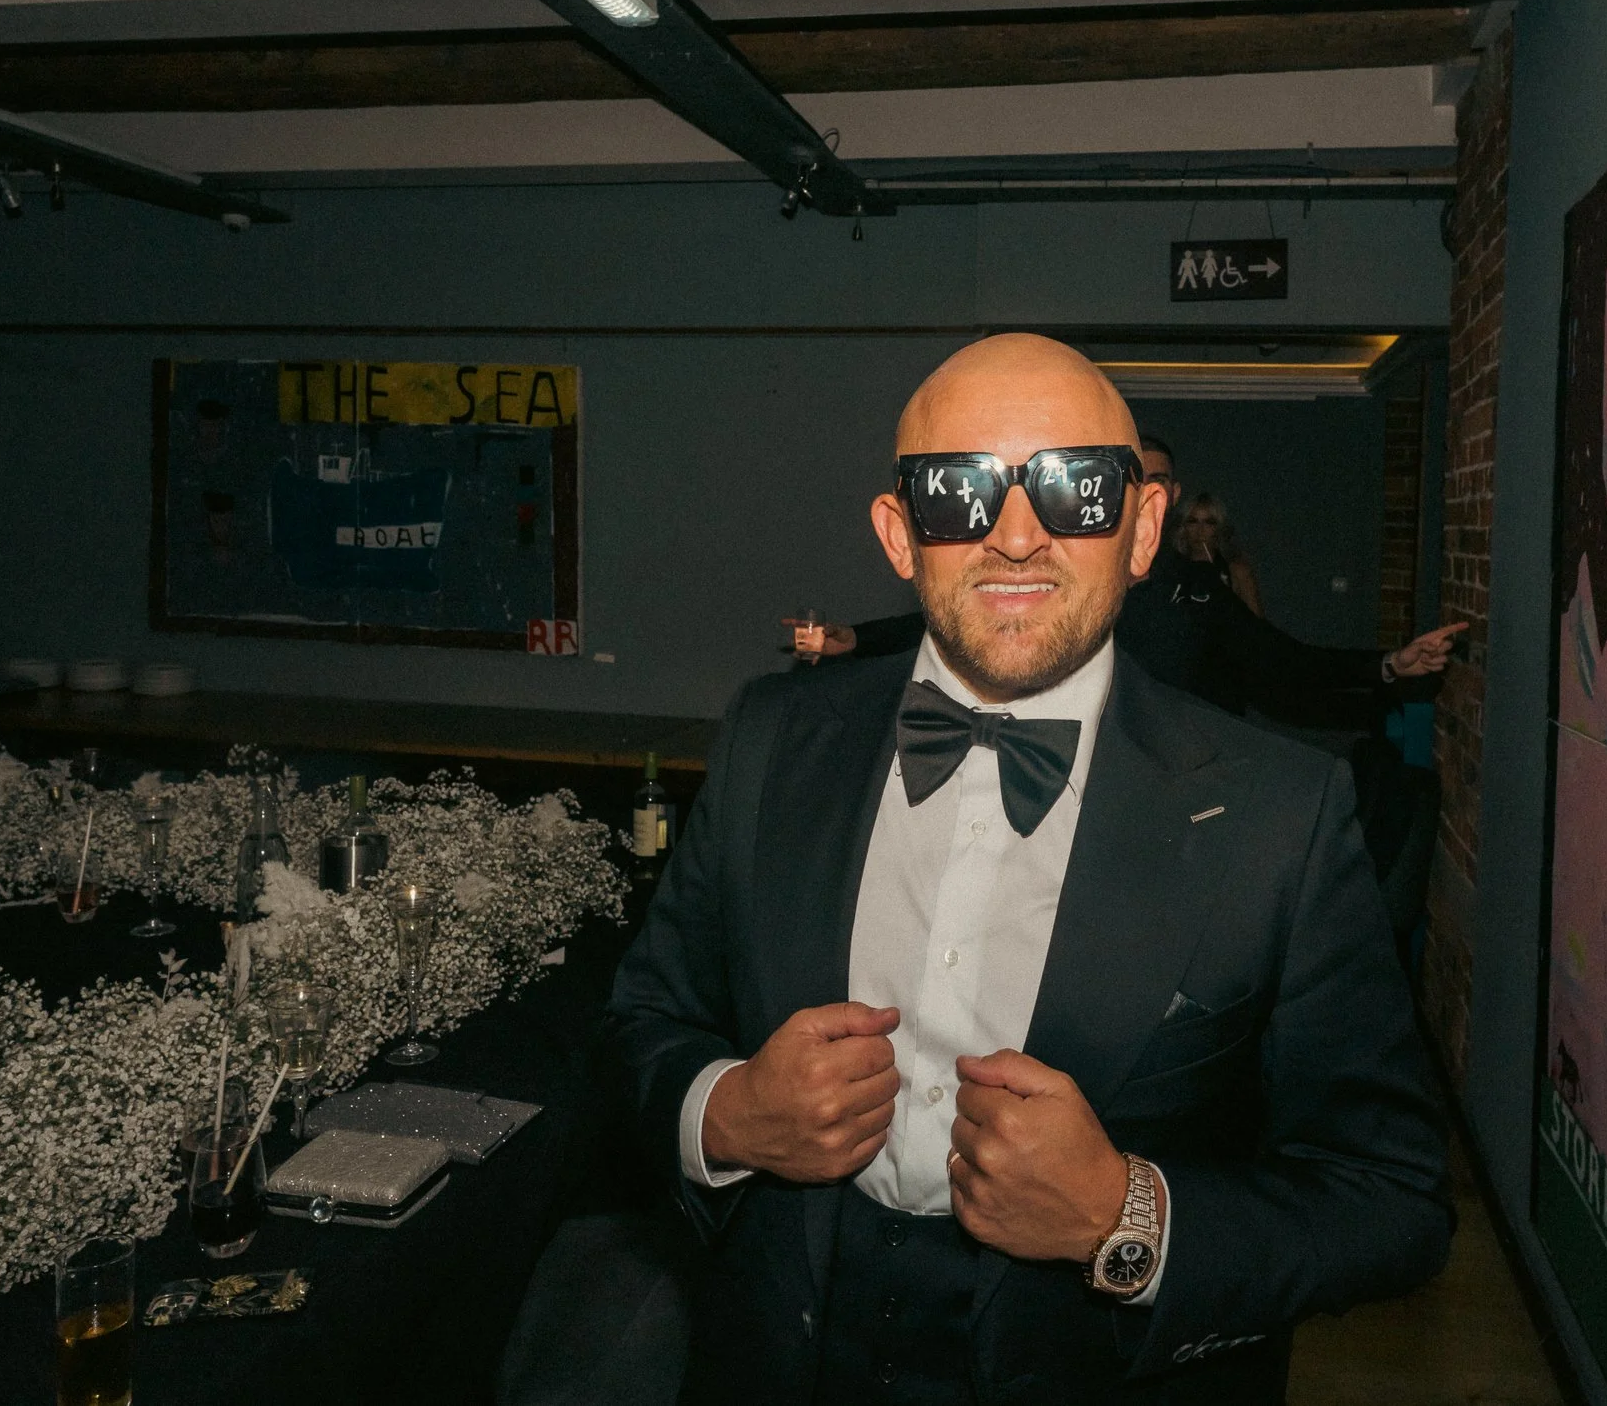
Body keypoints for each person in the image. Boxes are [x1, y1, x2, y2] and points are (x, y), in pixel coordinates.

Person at [609, 335, 1451, 1405]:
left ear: (1141, 527)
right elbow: (641, 1019)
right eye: (958, 491)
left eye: (1074, 488)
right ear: (898, 534)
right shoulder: (772, 739)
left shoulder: (1280, 816)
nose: (1016, 535)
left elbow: (1393, 1199)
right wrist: (722, 1112)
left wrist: (1123, 1214)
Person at [785, 435, 1463, 723]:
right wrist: (855, 640)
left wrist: (1387, 668)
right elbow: (960, 621)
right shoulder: (1068, 576)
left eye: (1162, 480)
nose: (1149, 493)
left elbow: (1284, 666)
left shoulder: (1197, 594)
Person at [1170, 491, 1262, 616]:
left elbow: (1258, 624)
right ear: (1183, 527)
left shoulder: (1236, 572)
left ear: (1219, 528)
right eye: (1193, 521)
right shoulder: (1172, 571)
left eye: (1209, 522)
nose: (1200, 530)